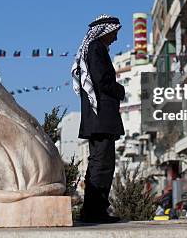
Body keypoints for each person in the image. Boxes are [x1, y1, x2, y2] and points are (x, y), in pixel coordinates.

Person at [72, 14, 125, 223]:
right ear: (107, 30)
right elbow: (102, 80)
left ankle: (92, 210)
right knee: (102, 165)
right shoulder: (96, 48)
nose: (116, 38)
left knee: (98, 164)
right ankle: (96, 212)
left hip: (98, 119)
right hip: (101, 117)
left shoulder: (93, 48)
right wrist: (120, 90)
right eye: (115, 33)